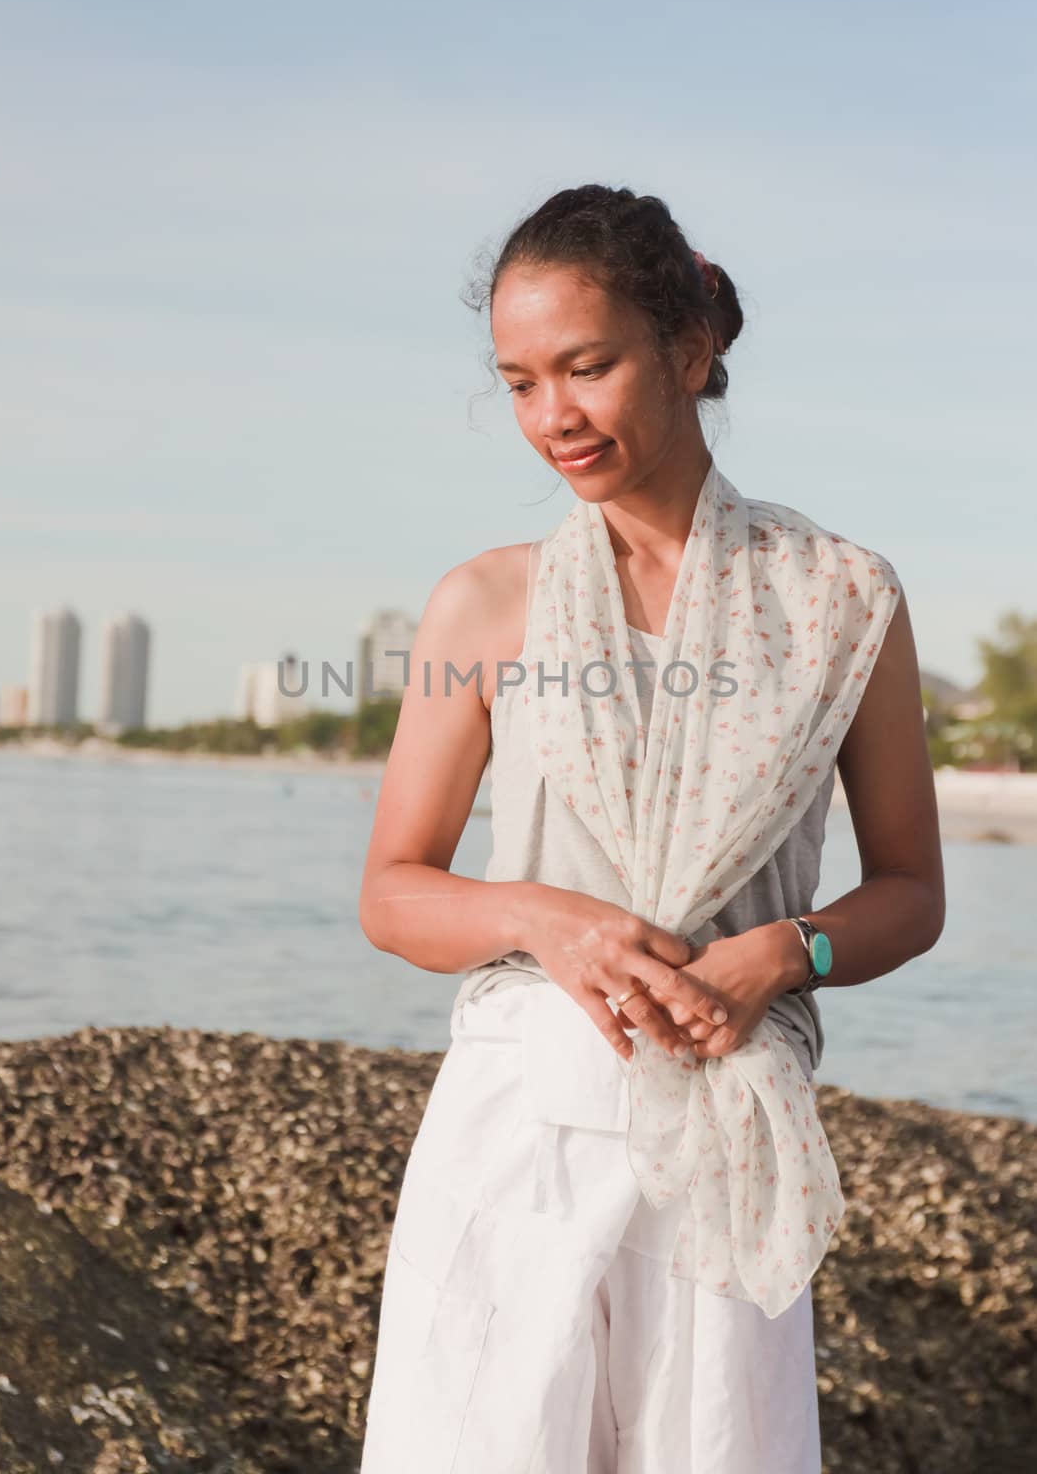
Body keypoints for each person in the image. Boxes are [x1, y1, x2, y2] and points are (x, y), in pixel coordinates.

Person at [357, 184, 945, 1473]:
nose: (551, 416)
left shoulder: (842, 597)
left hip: (724, 1150)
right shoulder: (489, 603)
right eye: (517, 382)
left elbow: (909, 891)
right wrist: (543, 920)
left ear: (689, 350)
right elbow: (395, 893)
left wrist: (782, 954)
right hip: (518, 1131)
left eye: (587, 366)